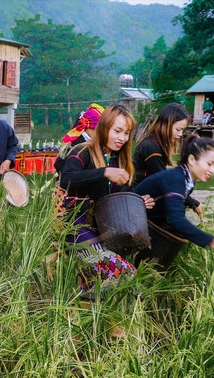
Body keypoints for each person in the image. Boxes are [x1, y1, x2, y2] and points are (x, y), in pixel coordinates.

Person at [59, 104, 154, 298]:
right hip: (74, 228)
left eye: (127, 133)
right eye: (117, 131)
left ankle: (94, 315)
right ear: (103, 127)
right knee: (126, 273)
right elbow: (66, 178)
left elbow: (123, 193)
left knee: (105, 288)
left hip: (103, 230)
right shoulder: (82, 151)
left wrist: (138, 201)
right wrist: (104, 172)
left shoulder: (119, 160)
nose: (122, 138)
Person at [133, 135, 214, 268]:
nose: (212, 170)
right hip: (130, 224)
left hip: (143, 224)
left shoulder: (184, 179)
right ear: (192, 159)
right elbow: (175, 219)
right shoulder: (176, 179)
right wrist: (210, 240)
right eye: (209, 164)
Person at [132, 103, 203, 218]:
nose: (180, 134)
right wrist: (193, 203)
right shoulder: (152, 148)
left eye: (182, 130)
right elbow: (165, 184)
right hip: (140, 199)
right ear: (166, 125)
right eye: (178, 129)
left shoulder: (155, 144)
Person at [54, 103, 104, 174]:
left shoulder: (93, 142)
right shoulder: (77, 145)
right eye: (98, 128)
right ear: (89, 127)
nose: (101, 132)